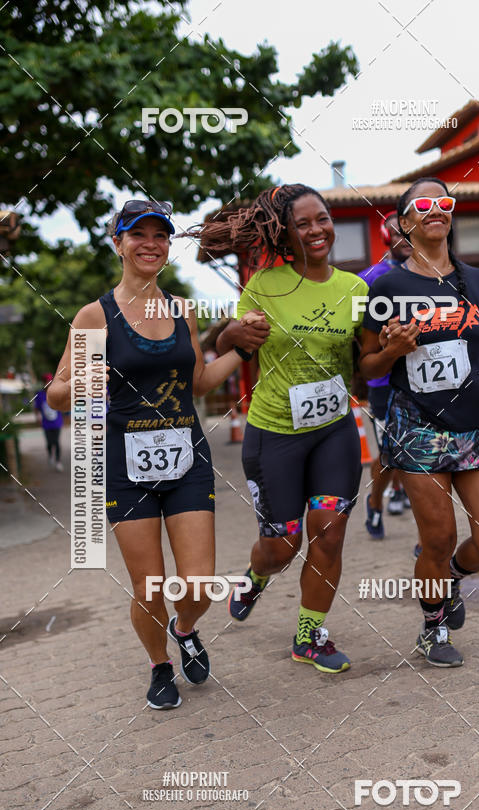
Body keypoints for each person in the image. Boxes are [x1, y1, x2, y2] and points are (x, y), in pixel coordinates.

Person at [47, 199, 265, 709]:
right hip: (125, 467)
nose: (150, 244)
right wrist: (80, 383)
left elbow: (199, 383)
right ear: (118, 243)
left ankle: (184, 628)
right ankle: (160, 665)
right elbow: (56, 394)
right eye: (138, 234)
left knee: (199, 585)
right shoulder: (94, 316)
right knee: (148, 586)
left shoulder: (181, 309)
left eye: (160, 235)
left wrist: (242, 349)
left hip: (187, 459)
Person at [203, 183, 369, 673]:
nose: (317, 230)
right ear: (285, 232)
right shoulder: (264, 285)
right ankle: (257, 574)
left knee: (329, 534)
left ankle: (308, 636)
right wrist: (230, 334)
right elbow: (230, 344)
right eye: (303, 223)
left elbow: (367, 360)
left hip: (334, 430)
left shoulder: (356, 289)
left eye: (323, 219)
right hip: (275, 432)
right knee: (282, 547)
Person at [360, 177, 479, 667]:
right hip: (417, 427)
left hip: (475, 427)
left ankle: (452, 578)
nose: (436, 209)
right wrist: (393, 351)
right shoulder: (386, 287)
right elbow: (367, 366)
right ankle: (432, 627)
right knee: (437, 537)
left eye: (444, 201)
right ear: (405, 222)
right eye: (423, 204)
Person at [358, 213, 412, 539]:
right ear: (385, 237)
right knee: (391, 452)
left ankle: (427, 539)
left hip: (422, 381)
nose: (405, 238)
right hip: (384, 382)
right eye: (398, 233)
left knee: (419, 449)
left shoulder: (433, 274)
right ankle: (375, 501)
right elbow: (355, 331)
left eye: (410, 232)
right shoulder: (369, 278)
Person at [35, 373, 64, 471]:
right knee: (49, 442)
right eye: (46, 382)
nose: (48, 383)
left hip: (57, 422)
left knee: (56, 442)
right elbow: (37, 408)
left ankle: (58, 461)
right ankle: (50, 455)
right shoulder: (40, 395)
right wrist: (38, 418)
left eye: (50, 382)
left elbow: (62, 405)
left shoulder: (56, 393)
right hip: (46, 423)